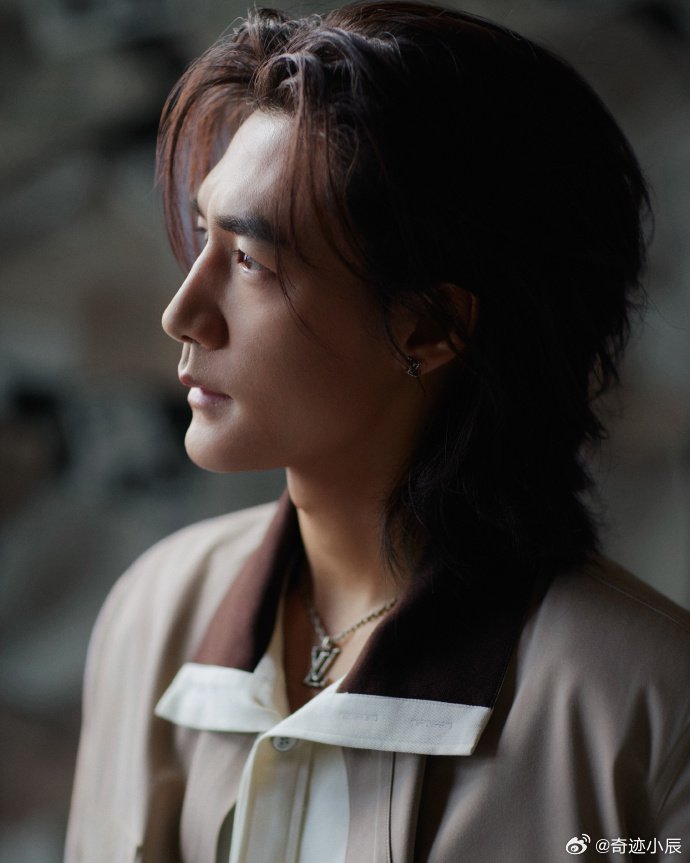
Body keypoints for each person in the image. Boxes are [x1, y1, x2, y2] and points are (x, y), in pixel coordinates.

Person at [65, 2, 690, 860]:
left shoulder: (650, 707)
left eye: (248, 260)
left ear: (430, 326)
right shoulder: (156, 612)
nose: (183, 312)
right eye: (203, 234)